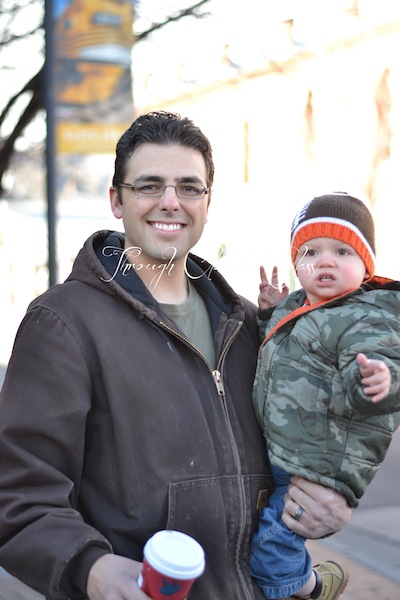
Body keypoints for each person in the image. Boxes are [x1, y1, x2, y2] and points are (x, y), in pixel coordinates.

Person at [0, 112, 351, 600]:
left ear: (207, 203)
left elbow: (300, 450)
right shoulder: (63, 324)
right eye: (149, 186)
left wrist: (326, 501)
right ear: (116, 200)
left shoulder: (251, 327)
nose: (170, 202)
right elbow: (19, 497)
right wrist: (94, 570)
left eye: (189, 187)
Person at [250, 192, 400, 600]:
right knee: (261, 534)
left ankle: (313, 587)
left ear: (366, 265)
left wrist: (378, 381)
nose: (325, 261)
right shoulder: (299, 305)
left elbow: (377, 364)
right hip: (288, 452)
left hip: (317, 465)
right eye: (311, 252)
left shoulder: (366, 316)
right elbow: (283, 353)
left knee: (270, 551)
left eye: (342, 251)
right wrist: (270, 313)